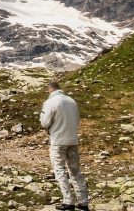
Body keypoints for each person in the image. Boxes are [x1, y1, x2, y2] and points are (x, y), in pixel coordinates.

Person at [40, 80, 89, 211]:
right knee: (75, 170)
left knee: (59, 169)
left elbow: (45, 122)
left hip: (58, 141)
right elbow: (77, 120)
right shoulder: (72, 101)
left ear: (50, 90)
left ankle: (68, 201)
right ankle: (83, 202)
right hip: (72, 140)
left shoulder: (50, 102)